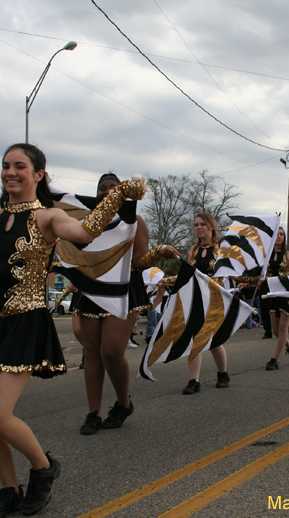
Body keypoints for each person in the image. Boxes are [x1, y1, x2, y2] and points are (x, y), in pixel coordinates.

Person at [0, 145, 146, 516]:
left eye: (20, 166)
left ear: (38, 174)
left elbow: (85, 233)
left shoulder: (48, 217)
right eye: (6, 166)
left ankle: (43, 468)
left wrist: (118, 196)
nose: (10, 172)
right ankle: (8, 490)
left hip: (25, 321)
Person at [72, 173, 177, 436]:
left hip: (123, 287)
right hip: (92, 288)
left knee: (110, 351)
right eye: (102, 188)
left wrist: (159, 252)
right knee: (91, 352)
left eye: (112, 187)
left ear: (123, 191)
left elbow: (140, 261)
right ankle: (93, 413)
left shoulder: (135, 221)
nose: (106, 192)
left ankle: (123, 403)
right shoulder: (85, 222)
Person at [181, 213, 230, 394]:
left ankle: (223, 373)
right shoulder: (194, 249)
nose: (199, 227)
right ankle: (194, 380)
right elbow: (188, 273)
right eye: (196, 225)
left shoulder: (220, 248)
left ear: (211, 227)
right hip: (195, 298)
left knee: (214, 340)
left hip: (214, 299)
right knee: (196, 338)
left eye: (202, 224)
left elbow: (227, 273)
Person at [263, 227, 289, 371]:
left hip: (286, 293)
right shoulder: (267, 255)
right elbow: (262, 273)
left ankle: (275, 360)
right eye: (276, 234)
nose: (279, 236)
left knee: (283, 327)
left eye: (281, 234)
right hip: (272, 293)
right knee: (276, 331)